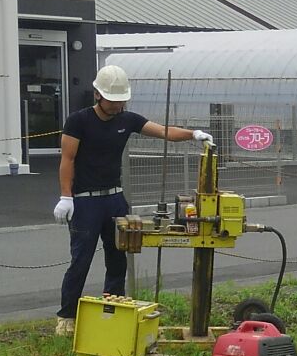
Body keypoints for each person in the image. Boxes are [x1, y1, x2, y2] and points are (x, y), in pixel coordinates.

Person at [53, 65, 212, 334]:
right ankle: (67, 316)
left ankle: (112, 309)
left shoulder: (127, 120)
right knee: (81, 259)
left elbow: (163, 131)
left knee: (118, 257)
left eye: (121, 101)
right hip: (85, 201)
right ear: (97, 96)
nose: (117, 106)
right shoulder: (78, 121)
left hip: (115, 198)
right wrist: (65, 196)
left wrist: (193, 134)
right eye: (113, 101)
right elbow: (67, 159)